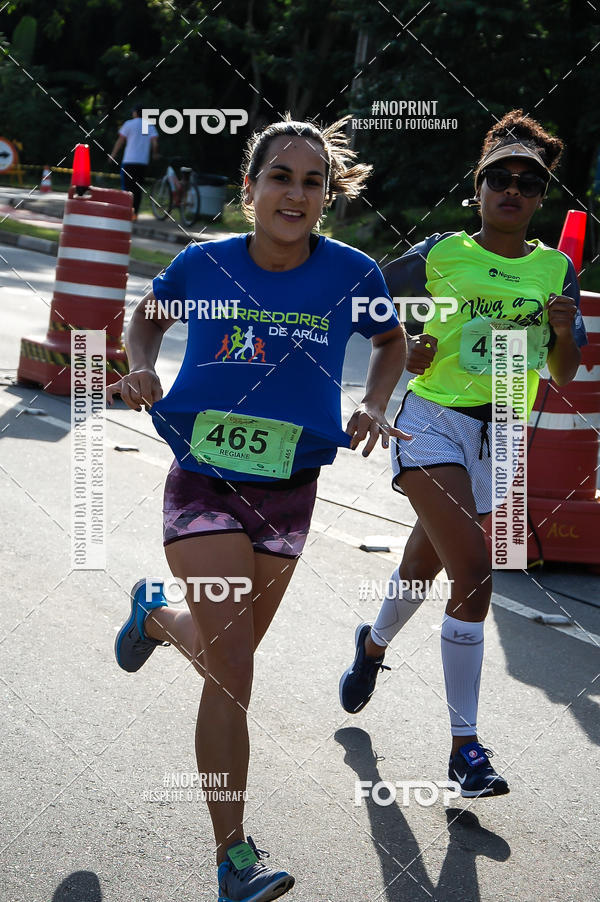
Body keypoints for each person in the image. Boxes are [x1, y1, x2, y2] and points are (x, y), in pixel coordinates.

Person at [109, 115, 408, 901]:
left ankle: (153, 616)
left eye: (313, 181)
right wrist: (141, 369)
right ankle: (232, 858)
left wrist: (376, 402)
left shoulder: (352, 273)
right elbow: (147, 315)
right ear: (250, 190)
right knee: (235, 671)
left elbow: (391, 341)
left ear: (326, 197)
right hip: (203, 480)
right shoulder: (203, 265)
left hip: (291, 491)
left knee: (220, 656)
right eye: (281, 176)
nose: (297, 193)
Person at [339, 109, 588, 798]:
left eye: (527, 183)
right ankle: (465, 749)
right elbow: (365, 306)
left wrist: (565, 330)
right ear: (476, 188)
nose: (513, 190)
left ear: (541, 198)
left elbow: (564, 372)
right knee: (474, 573)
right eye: (499, 178)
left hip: (504, 429)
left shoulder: (556, 270)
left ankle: (372, 648)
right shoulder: (439, 254)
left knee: (423, 563)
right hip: (433, 424)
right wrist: (406, 341)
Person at [111, 105, 159, 219]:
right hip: (142, 162)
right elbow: (155, 143)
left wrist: (113, 154)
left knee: (127, 188)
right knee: (137, 188)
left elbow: (120, 140)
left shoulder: (129, 124)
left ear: (135, 113)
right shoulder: (149, 125)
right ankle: (135, 214)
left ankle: (125, 212)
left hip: (129, 160)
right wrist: (155, 154)